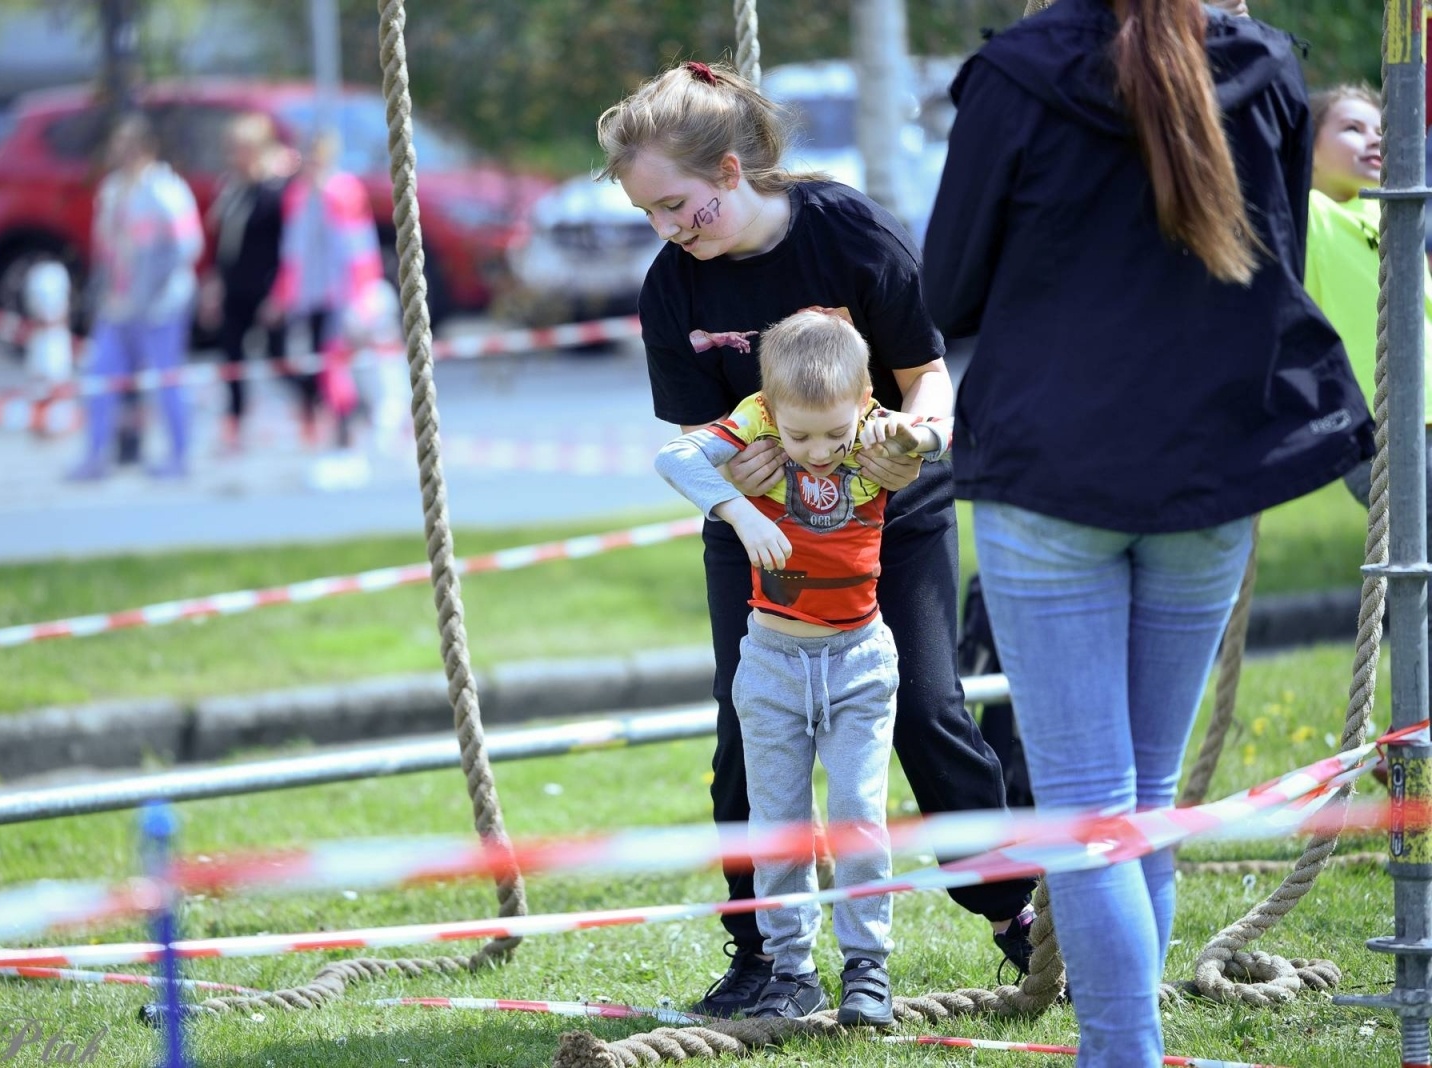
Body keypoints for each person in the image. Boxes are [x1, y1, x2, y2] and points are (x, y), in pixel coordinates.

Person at [921, 1, 1373, 1064]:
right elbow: (1281, 266)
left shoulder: (1014, 72)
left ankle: (1119, 1056)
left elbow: (947, 284)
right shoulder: (1263, 66)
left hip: (1053, 470)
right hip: (1210, 469)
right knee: (1144, 808)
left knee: (1091, 817)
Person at [597, 60, 1039, 1018]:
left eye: (680, 205)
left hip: (892, 511)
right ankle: (765, 954)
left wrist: (915, 442)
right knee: (743, 733)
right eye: (651, 217)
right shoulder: (672, 288)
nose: (671, 230)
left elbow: (930, 376)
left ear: (727, 170)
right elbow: (691, 445)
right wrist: (735, 493)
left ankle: (1016, 915)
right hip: (760, 534)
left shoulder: (849, 230)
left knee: (927, 710)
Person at [656, 310, 941, 1024]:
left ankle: (867, 968)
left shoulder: (874, 424)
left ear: (862, 402)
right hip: (775, 659)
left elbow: (930, 431)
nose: (817, 452)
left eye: (833, 436)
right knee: (778, 823)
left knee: (857, 816)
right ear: (769, 409)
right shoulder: (755, 418)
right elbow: (674, 459)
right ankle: (792, 970)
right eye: (799, 435)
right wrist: (739, 513)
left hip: (858, 659)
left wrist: (915, 439)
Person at [1302, 84, 1432, 511]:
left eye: (1381, 129)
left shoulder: (1399, 215)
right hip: (1382, 431)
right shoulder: (1311, 216)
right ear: (1307, 144)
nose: (1375, 138)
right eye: (1352, 128)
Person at [68, 114, 204, 481]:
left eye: (130, 146)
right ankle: (95, 455)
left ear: (146, 148)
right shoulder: (112, 191)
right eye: (118, 146)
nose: (122, 154)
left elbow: (186, 246)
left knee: (166, 379)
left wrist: (149, 291)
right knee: (99, 377)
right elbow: (106, 251)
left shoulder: (166, 190)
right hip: (119, 304)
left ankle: (180, 455)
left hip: (160, 305)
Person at [268, 131, 384, 453]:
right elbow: (292, 251)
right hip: (309, 295)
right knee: (308, 360)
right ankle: (327, 415)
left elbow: (358, 246)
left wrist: (363, 296)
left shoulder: (343, 190)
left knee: (334, 360)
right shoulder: (297, 196)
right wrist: (281, 295)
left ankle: (343, 424)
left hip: (342, 293)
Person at [201, 112, 287, 455]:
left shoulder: (274, 192)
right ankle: (235, 422)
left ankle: (320, 405)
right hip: (235, 287)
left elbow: (285, 249)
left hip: (265, 288)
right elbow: (221, 243)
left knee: (279, 358)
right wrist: (213, 284)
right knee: (231, 356)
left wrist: (279, 296)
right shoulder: (231, 191)